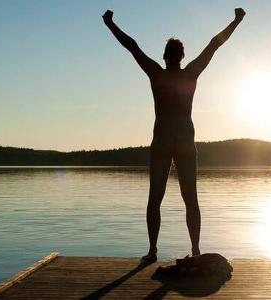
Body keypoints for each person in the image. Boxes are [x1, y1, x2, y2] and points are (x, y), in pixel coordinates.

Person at [103, 8, 245, 263]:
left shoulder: (156, 74)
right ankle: (196, 249)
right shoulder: (191, 73)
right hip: (184, 143)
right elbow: (214, 45)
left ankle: (153, 251)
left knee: (154, 199)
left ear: (165, 56)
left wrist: (110, 24)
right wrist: (236, 21)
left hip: (162, 142)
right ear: (182, 56)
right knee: (190, 198)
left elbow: (132, 46)